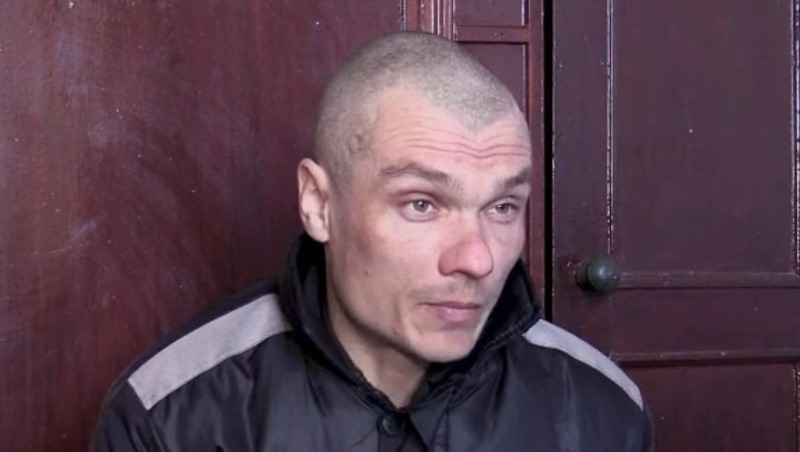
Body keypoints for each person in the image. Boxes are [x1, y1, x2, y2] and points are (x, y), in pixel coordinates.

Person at [90, 31, 653, 452]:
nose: (478, 258)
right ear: (319, 204)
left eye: (502, 207)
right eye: (421, 204)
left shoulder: (598, 409)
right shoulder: (173, 413)